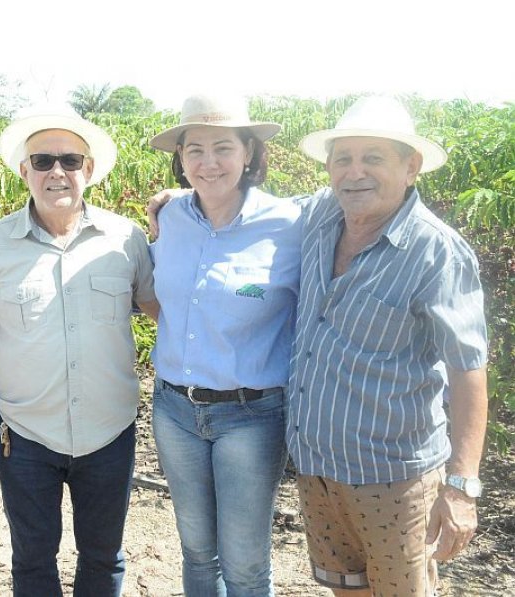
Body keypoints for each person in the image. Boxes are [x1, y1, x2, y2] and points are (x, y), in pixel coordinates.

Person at [0, 104, 158, 597]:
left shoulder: (126, 240)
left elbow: (164, 314)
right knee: (31, 561)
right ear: (24, 172)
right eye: (42, 161)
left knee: (104, 559)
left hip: (110, 431)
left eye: (69, 160)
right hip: (24, 435)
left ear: (88, 170)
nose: (56, 172)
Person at [288, 96, 488, 596]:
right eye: (343, 159)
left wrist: (462, 487)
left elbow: (469, 370)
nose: (355, 173)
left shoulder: (435, 252)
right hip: (317, 471)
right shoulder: (318, 218)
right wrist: (178, 200)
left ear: (410, 166)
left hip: (393, 481)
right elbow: (247, 214)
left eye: (373, 158)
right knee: (345, 589)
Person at [147, 94, 301, 596]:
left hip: (251, 416)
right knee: (195, 551)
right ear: (181, 158)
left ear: (249, 153)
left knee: (244, 562)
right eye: (195, 150)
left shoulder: (290, 226)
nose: (208, 162)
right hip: (174, 410)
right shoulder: (170, 219)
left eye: (223, 148)